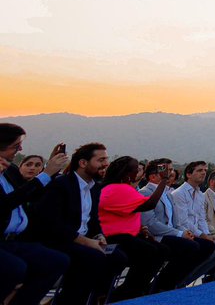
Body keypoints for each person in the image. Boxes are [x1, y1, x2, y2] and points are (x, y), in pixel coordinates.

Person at [27, 142, 129, 305]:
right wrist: (86, 242)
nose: (105, 164)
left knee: (118, 257)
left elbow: (93, 219)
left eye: (106, 160)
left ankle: (95, 297)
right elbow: (53, 224)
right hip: (60, 240)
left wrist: (99, 235)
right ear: (83, 163)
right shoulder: (61, 185)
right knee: (92, 258)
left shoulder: (94, 188)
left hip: (84, 240)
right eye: (100, 160)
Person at [0, 124, 70, 305]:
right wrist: (46, 173)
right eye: (16, 146)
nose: (20, 149)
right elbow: (6, 204)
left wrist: (50, 172)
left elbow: (30, 194)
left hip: (14, 240)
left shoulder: (11, 170)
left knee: (56, 261)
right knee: (15, 268)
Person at [98, 156, 171, 300]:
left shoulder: (125, 188)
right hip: (112, 236)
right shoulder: (114, 189)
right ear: (126, 172)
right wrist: (163, 180)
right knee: (149, 252)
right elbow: (149, 204)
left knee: (161, 250)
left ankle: (134, 289)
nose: (139, 172)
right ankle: (123, 294)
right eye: (136, 169)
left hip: (127, 234)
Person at [139, 159, 215, 290]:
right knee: (190, 247)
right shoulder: (145, 193)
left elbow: (176, 221)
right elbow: (151, 223)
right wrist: (180, 233)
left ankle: (173, 281)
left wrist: (184, 232)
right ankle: (162, 285)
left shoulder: (167, 194)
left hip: (172, 233)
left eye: (170, 170)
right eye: (166, 171)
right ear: (153, 176)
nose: (170, 174)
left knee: (206, 246)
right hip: (157, 235)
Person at [171, 161, 215, 281]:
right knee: (208, 247)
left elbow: (201, 218)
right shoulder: (179, 193)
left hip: (197, 232)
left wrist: (207, 234)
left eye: (204, 170)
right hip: (184, 232)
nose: (203, 173)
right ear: (188, 174)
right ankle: (180, 280)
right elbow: (183, 221)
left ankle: (188, 278)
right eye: (199, 170)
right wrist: (203, 235)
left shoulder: (199, 195)